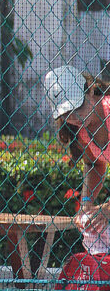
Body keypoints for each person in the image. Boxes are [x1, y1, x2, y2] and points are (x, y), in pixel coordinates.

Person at [44, 65, 110, 241]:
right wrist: (86, 202)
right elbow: (94, 163)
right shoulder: (80, 129)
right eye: (66, 112)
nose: (75, 116)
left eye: (77, 106)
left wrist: (107, 209)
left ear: (90, 91)